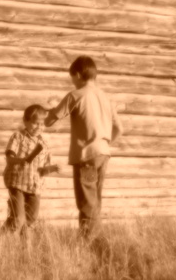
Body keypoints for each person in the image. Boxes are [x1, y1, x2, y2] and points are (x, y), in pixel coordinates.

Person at [44, 56, 123, 238]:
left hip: (86, 155)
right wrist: (104, 142)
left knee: (87, 202)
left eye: (72, 78)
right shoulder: (106, 98)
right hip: (103, 154)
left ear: (78, 75)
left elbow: (49, 121)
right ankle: (95, 240)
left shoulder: (76, 95)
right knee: (96, 200)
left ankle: (88, 244)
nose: (72, 82)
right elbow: (119, 129)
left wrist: (51, 109)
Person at [0, 104, 59, 239]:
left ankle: (27, 251)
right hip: (17, 183)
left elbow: (42, 170)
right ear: (25, 121)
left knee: (30, 221)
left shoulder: (44, 144)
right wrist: (22, 160)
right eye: (35, 123)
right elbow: (10, 158)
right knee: (18, 220)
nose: (39, 127)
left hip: (34, 186)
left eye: (42, 124)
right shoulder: (18, 137)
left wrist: (51, 169)